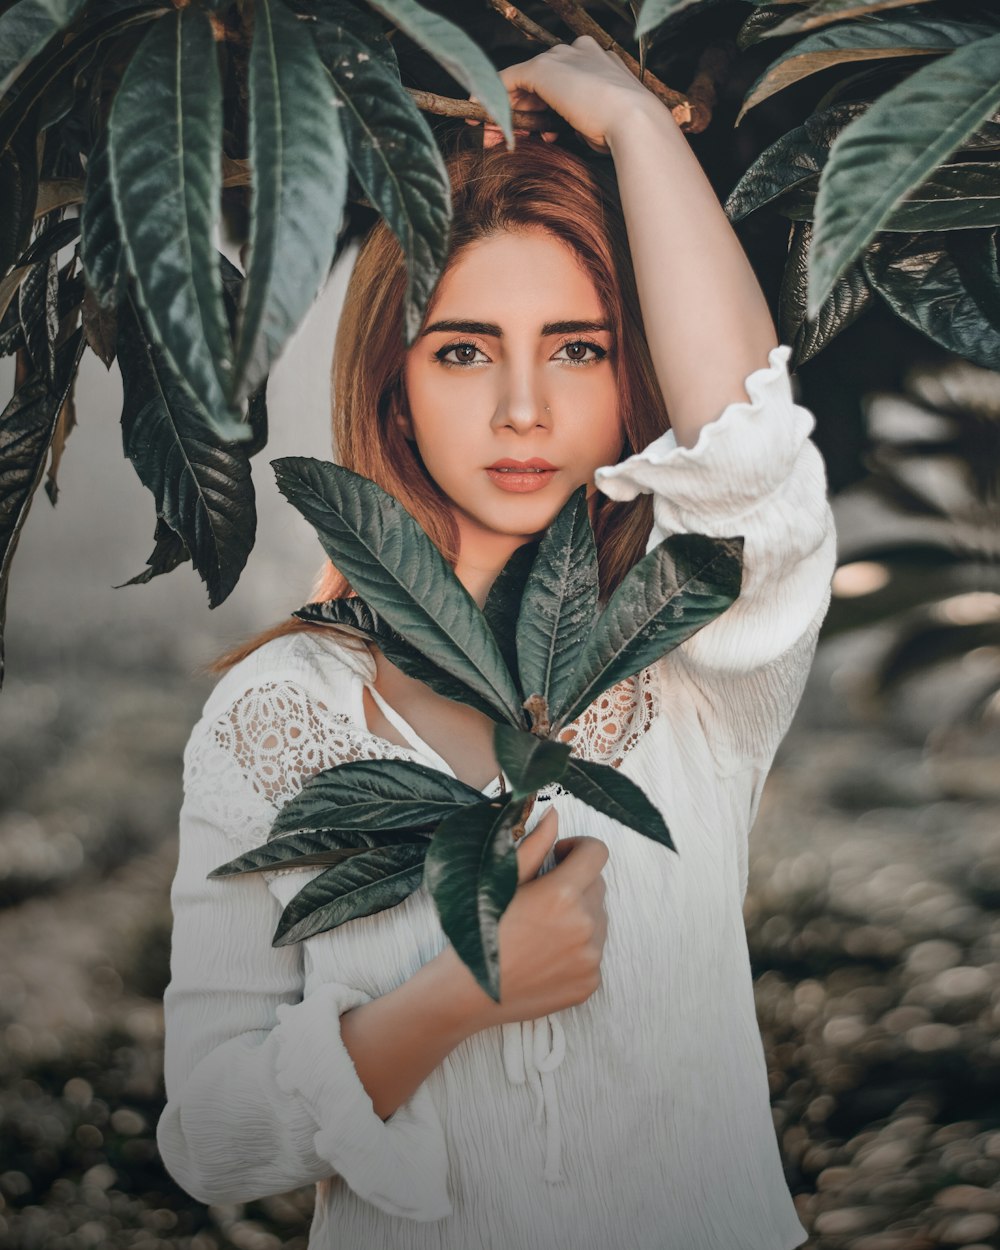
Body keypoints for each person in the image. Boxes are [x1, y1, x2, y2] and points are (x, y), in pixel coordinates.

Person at [156, 37, 837, 1250]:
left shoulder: (687, 660)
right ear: (393, 380)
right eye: (463, 348)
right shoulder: (278, 711)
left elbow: (752, 460)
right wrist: (460, 995)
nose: (524, 406)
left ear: (629, 373)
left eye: (578, 347)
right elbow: (213, 1136)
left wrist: (636, 127)